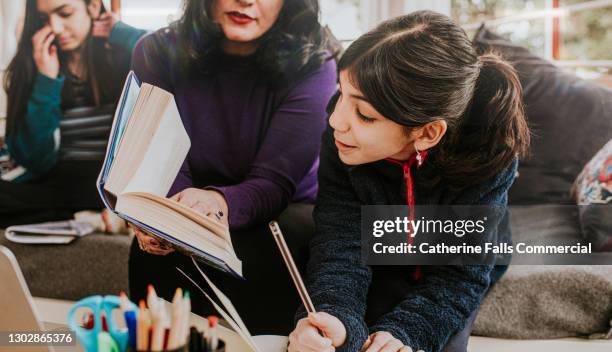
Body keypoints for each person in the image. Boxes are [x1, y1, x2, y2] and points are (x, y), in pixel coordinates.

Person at [288, 11, 530, 352]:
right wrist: (336, 317)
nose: (336, 120)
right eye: (341, 94)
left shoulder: (489, 152)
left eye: (365, 115)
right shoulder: (343, 134)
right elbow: (340, 240)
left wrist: (406, 333)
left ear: (427, 133)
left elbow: (460, 278)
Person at [128, 0, 340, 335]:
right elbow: (162, 159)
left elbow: (273, 182)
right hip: (189, 199)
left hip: (279, 213)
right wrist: (168, 215)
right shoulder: (155, 51)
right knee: (155, 245)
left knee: (264, 244)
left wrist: (213, 204)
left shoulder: (314, 63)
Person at [0, 0, 146, 228]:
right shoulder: (32, 66)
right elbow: (36, 161)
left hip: (111, 182)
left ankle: (86, 214)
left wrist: (121, 32)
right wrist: (45, 82)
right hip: (58, 181)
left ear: (93, 7)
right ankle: (87, 218)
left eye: (65, 13)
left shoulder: (125, 58)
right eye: (44, 19)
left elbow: (176, 56)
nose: (55, 28)